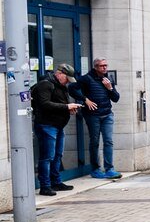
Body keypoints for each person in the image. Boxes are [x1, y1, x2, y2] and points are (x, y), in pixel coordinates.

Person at [31, 64, 83, 196]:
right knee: (47, 157)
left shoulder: (61, 86)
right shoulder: (46, 84)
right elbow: (45, 104)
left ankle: (56, 182)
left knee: (57, 155)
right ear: (60, 74)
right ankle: (45, 186)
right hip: (47, 125)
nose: (67, 82)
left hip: (58, 125)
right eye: (67, 79)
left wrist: (69, 109)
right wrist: (67, 106)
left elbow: (58, 103)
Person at [71, 57, 122, 179]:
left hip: (107, 114)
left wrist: (110, 88)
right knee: (94, 142)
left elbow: (116, 98)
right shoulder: (86, 79)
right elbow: (71, 88)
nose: (104, 67)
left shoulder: (108, 79)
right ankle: (95, 169)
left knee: (108, 141)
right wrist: (85, 99)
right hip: (92, 115)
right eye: (101, 66)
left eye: (106, 65)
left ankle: (109, 168)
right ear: (95, 67)